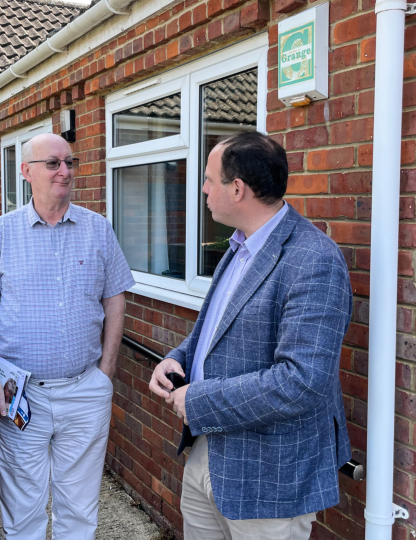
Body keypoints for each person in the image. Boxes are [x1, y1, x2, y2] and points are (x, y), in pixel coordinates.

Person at [148, 131, 352, 540]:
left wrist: (199, 399)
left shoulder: (314, 259)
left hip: (269, 477)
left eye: (209, 179)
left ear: (237, 188)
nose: (203, 188)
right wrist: (180, 358)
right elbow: (215, 329)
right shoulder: (237, 247)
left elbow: (301, 382)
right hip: (209, 452)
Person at [0, 133, 135, 540]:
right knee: (23, 511)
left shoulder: (98, 229)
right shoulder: (2, 233)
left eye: (70, 163)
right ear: (26, 172)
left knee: (80, 508)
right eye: (53, 163)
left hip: (84, 390)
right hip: (20, 392)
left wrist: (105, 373)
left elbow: (115, 299)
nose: (65, 171)